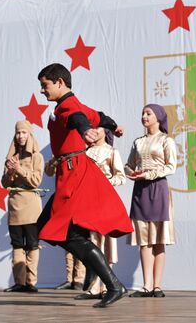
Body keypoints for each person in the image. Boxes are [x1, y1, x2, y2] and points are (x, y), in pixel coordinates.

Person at [36, 63, 132, 308]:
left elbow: (80, 119)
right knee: (46, 227)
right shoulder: (72, 104)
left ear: (59, 82)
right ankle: (95, 272)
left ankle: (113, 285)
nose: (42, 91)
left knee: (70, 234)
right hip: (69, 172)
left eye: (45, 85)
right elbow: (98, 115)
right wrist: (113, 126)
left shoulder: (68, 106)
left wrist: (87, 130)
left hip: (74, 172)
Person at [125, 104, 177, 298]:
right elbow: (128, 165)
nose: (144, 116)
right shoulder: (138, 142)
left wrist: (150, 174)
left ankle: (157, 286)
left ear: (159, 117)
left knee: (158, 240)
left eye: (148, 113)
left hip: (158, 189)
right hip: (140, 191)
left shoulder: (166, 140)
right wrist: (133, 173)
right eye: (143, 113)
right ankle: (146, 285)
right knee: (144, 241)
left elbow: (171, 166)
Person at [76, 127, 126, 300]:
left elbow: (121, 177)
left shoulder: (112, 152)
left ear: (105, 131)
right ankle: (95, 288)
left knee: (107, 243)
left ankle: (107, 286)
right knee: (92, 240)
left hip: (105, 200)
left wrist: (103, 182)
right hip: (88, 201)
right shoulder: (85, 152)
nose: (94, 131)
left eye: (98, 127)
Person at [1, 120, 44, 293]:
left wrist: (19, 169)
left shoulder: (37, 156)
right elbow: (5, 183)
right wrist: (10, 172)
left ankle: (31, 282)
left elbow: (35, 181)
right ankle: (19, 282)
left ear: (30, 135)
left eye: (24, 132)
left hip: (32, 206)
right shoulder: (11, 158)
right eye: (18, 133)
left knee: (32, 245)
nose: (20, 136)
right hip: (14, 205)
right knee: (17, 245)